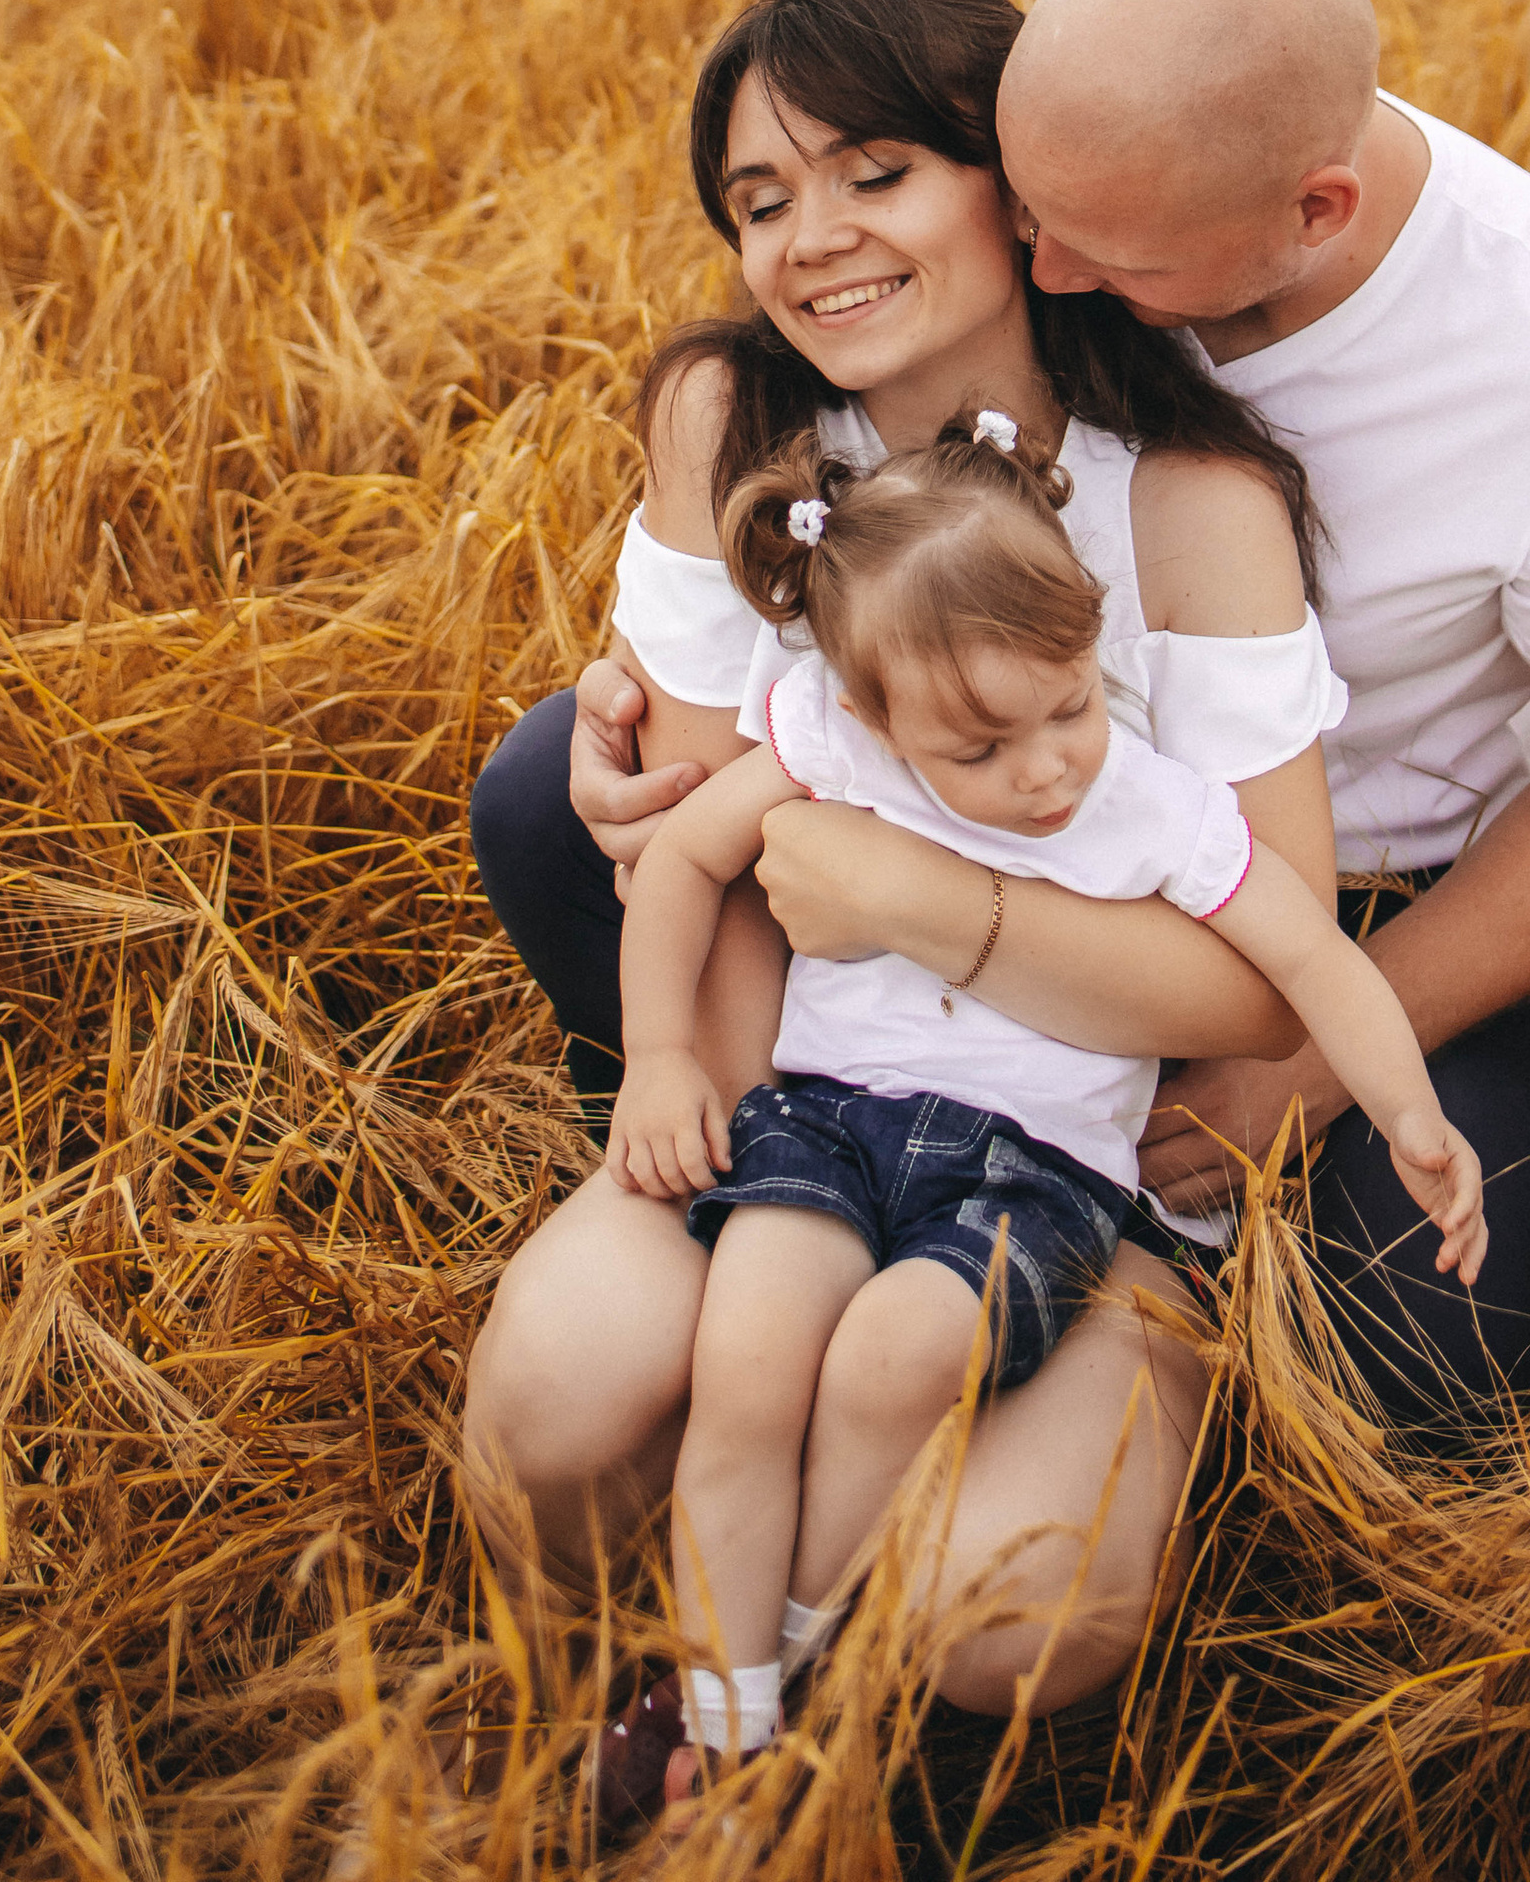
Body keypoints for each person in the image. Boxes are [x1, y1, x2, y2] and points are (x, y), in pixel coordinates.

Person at [463, 0, 1353, 1744]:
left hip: (1094, 1178)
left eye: (876, 173)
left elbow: (1259, 991)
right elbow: (706, 841)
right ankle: (699, 1696)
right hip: (807, 1109)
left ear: (1017, 193)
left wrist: (935, 908)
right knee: (549, 1422)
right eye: (761, 198)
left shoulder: (1188, 501)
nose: (815, 240)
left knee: (1002, 1623)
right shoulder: (737, 427)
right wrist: (706, 1131)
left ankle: (826, 1693)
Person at [613, 411, 1482, 1800]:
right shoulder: (835, 748)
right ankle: (713, 1712)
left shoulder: (1144, 807)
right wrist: (661, 1056)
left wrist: (1410, 1114)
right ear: (868, 712)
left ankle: (797, 1662)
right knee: (749, 1358)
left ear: (1093, 654)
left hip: (1026, 1178)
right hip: (829, 1120)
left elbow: (1312, 955)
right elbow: (682, 864)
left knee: (891, 1358)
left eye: (1070, 705)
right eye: (982, 748)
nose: (1044, 770)